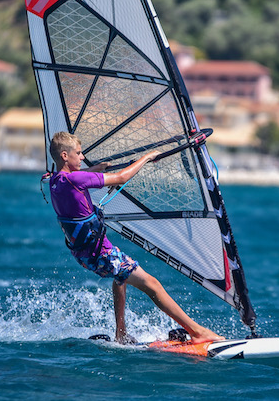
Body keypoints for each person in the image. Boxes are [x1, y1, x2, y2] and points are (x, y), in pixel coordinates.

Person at [48, 131, 224, 344]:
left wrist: (96, 169)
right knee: (152, 284)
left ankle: (120, 333)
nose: (82, 156)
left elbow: (77, 178)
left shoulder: (55, 181)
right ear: (65, 155)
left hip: (84, 256)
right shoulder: (76, 179)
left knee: (120, 278)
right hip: (101, 254)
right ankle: (197, 332)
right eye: (78, 153)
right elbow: (121, 178)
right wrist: (146, 157)